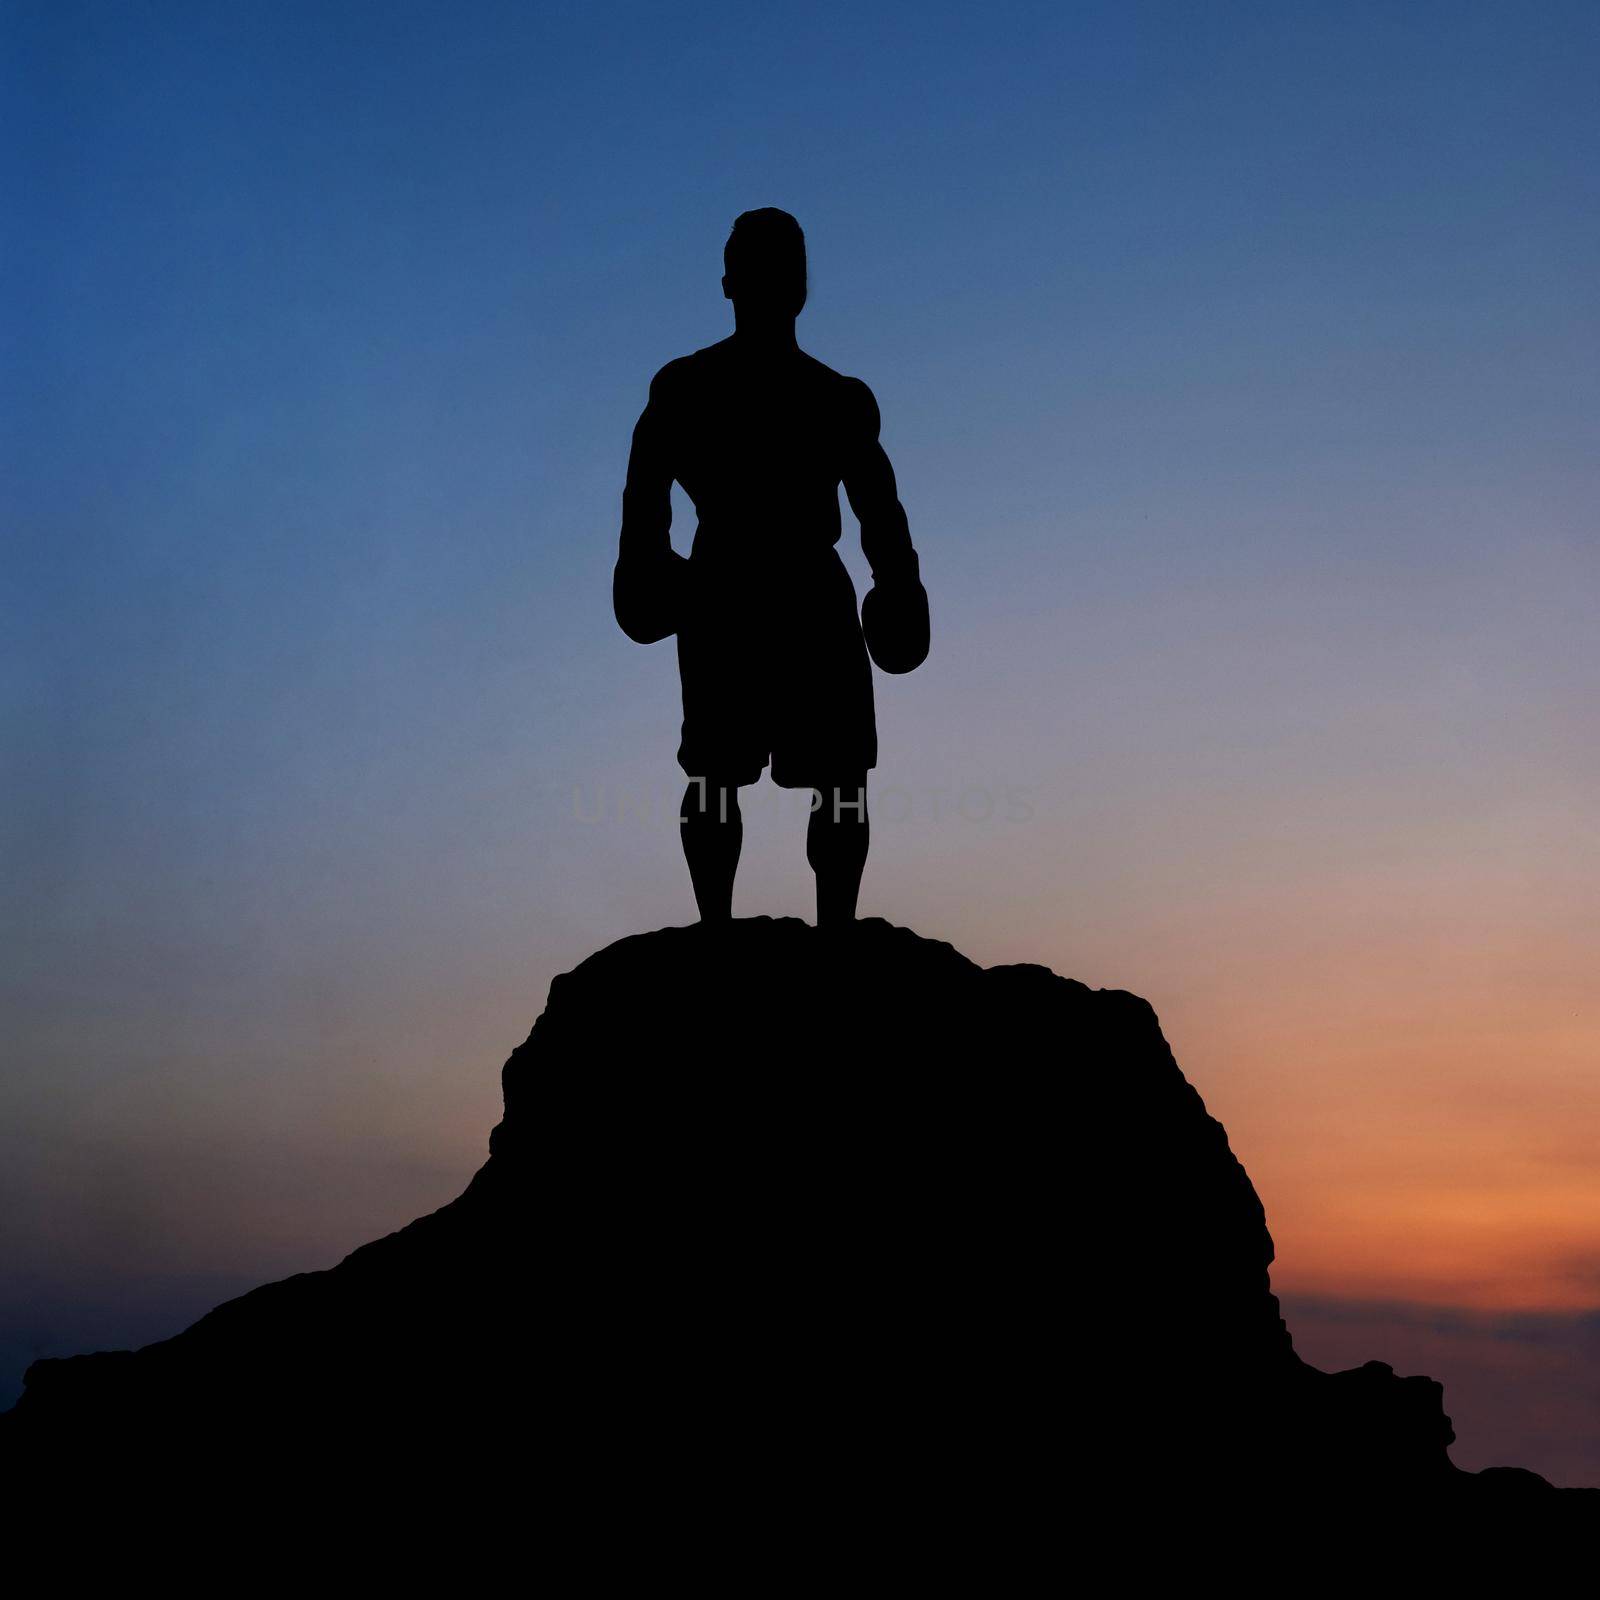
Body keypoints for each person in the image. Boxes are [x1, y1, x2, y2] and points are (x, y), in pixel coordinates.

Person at [614, 208, 928, 928]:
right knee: (716, 769)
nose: (774, 279)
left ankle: (834, 932)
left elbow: (881, 509)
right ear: (730, 282)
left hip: (798, 590)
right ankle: (717, 930)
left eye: (785, 264)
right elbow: (643, 497)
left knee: (840, 773)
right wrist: (642, 564)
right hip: (724, 586)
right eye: (760, 264)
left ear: (801, 285)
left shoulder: (837, 398)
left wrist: (898, 582)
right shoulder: (685, 388)